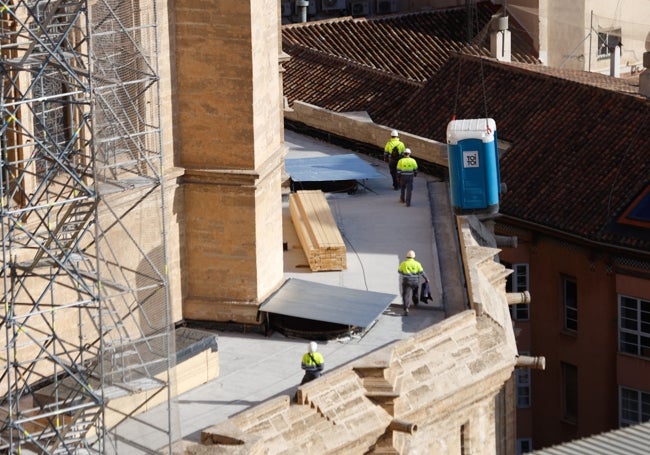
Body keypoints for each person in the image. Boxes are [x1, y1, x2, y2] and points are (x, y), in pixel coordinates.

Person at [398, 250, 429, 316]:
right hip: (415, 281)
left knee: (406, 295)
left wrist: (404, 273)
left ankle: (406, 308)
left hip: (407, 281)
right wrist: (426, 279)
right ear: (414, 257)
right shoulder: (417, 263)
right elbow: (422, 272)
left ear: (407, 256)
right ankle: (415, 303)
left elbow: (399, 271)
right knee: (415, 292)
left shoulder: (404, 263)